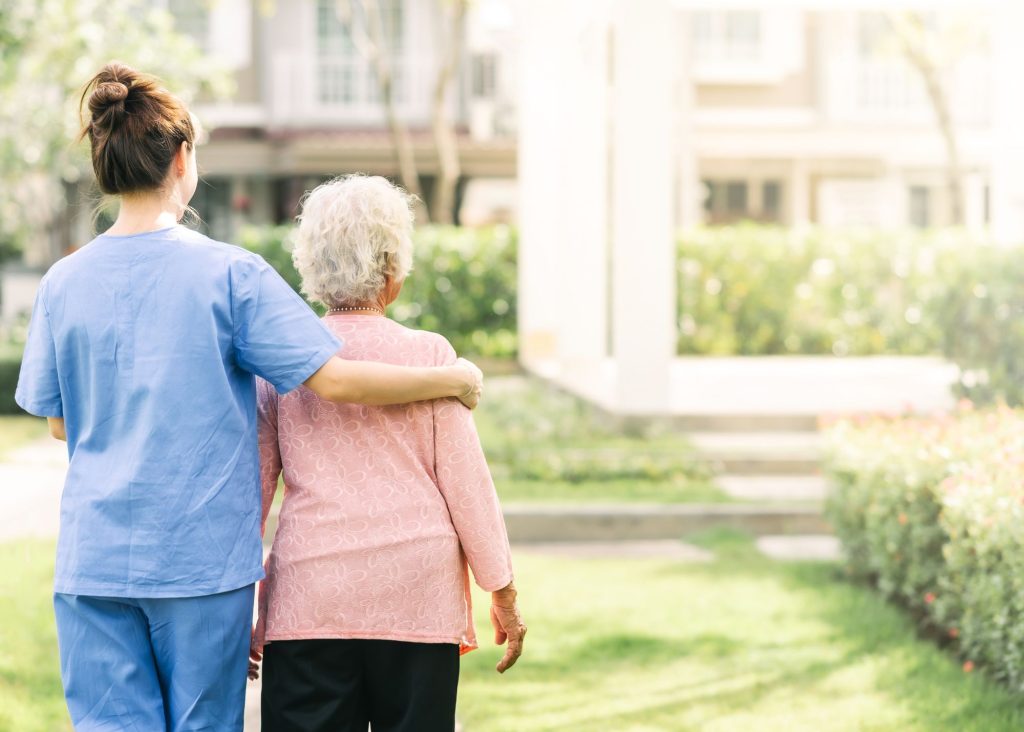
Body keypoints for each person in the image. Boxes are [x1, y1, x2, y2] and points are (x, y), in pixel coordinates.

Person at [14, 63, 484, 732]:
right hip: (200, 566)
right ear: (183, 158)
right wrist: (451, 379)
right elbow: (336, 378)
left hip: (94, 563)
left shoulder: (62, 282)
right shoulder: (230, 274)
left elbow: (61, 423)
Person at [250, 175, 526, 732]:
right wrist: (503, 595)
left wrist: (240, 609)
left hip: (310, 600)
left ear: (312, 266)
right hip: (416, 597)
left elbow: (248, 496)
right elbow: (468, 488)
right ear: (393, 271)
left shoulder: (283, 365)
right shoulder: (429, 356)